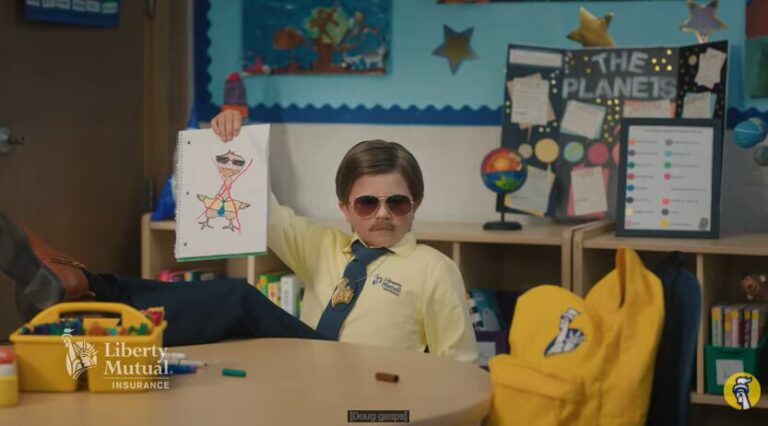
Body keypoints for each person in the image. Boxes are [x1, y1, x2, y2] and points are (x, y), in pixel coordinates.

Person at [0, 111, 478, 363]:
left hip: (375, 397)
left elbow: (459, 367)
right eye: (367, 203)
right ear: (345, 208)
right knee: (205, 334)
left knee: (239, 299)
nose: (383, 214)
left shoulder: (434, 270)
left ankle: (78, 287)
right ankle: (81, 294)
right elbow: (254, 205)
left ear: (416, 204)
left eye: (398, 203)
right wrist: (228, 138)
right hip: (308, 374)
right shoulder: (323, 247)